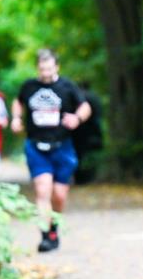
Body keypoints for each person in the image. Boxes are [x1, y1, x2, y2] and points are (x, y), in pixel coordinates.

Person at [10, 49, 92, 253]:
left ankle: (54, 227)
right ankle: (45, 235)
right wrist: (16, 119)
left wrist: (77, 119)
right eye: (42, 68)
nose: (45, 72)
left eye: (49, 68)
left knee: (59, 195)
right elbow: (18, 102)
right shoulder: (29, 86)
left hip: (62, 147)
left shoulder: (67, 86)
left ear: (56, 67)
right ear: (38, 68)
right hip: (36, 146)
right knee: (42, 190)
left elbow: (85, 106)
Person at [71, 81, 104, 184]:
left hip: (77, 132)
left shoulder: (77, 97)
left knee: (78, 154)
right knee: (89, 154)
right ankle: (89, 176)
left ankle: (80, 177)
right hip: (93, 130)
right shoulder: (94, 97)